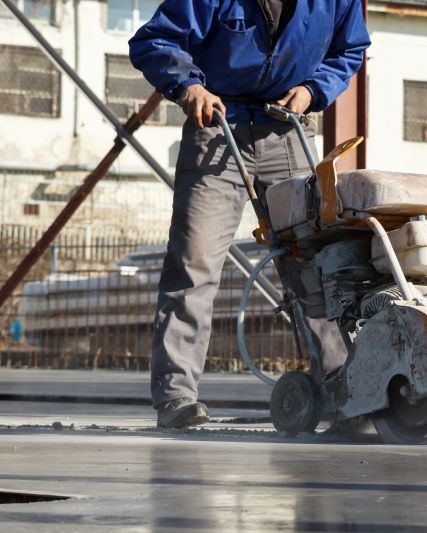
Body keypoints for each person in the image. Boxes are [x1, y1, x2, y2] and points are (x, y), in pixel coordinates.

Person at [129, 0, 370, 428]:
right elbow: (154, 39)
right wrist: (189, 87)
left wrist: (315, 90)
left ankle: (338, 388)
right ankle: (177, 398)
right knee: (195, 260)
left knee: (311, 264)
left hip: (289, 129)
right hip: (219, 127)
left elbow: (349, 50)